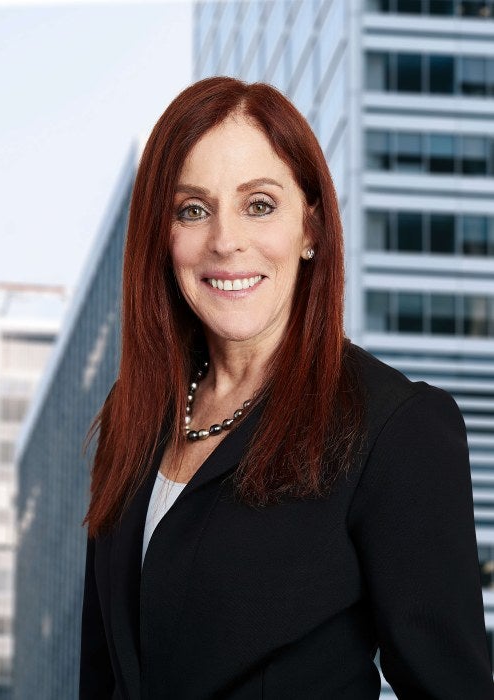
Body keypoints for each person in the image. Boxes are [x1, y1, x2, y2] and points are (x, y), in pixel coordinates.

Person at [79, 76, 493, 700]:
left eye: (259, 204)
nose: (225, 241)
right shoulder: (132, 416)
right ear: (161, 240)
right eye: (193, 209)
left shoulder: (394, 429)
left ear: (311, 230)